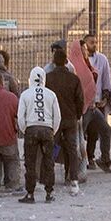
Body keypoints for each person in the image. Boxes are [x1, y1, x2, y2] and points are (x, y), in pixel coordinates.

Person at [17, 67, 61, 204]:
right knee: (49, 162)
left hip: (31, 129)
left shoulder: (25, 94)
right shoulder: (51, 94)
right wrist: (52, 131)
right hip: (47, 129)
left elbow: (20, 117)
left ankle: (30, 194)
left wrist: (25, 130)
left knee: (30, 163)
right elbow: (57, 117)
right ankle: (49, 192)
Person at [44, 47, 84, 195]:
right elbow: (80, 100)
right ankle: (73, 179)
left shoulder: (47, 78)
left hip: (53, 119)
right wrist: (77, 115)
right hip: (70, 119)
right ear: (66, 62)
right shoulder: (74, 79)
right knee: (72, 149)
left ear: (53, 62)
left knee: (50, 147)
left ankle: (48, 177)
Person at [83, 33, 111, 172]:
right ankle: (82, 160)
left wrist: (105, 98)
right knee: (81, 132)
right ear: (84, 44)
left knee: (100, 131)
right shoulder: (78, 61)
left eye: (95, 42)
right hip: (83, 106)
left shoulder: (102, 59)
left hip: (97, 104)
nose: (94, 45)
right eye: (91, 42)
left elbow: (107, 80)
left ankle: (103, 160)